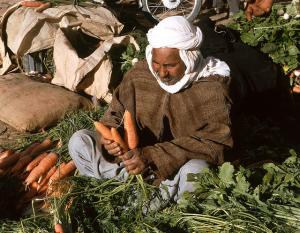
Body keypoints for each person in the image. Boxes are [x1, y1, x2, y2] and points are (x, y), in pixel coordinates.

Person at [68, 16, 233, 204]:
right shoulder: (140, 74)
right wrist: (111, 139)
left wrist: (153, 155)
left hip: (174, 170)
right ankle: (135, 191)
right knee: (79, 141)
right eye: (157, 63)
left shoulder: (211, 88)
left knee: (196, 173)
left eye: (170, 65)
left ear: (189, 59)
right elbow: (115, 114)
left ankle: (149, 198)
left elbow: (214, 144)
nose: (161, 73)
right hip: (130, 162)